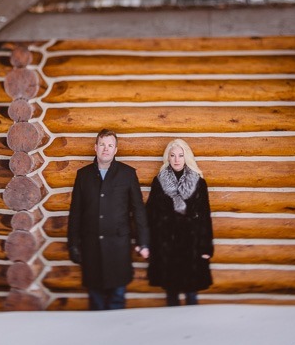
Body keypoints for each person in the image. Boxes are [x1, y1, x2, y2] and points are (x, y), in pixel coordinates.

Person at [67, 128, 150, 310]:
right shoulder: (83, 175)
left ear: (116, 150)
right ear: (95, 147)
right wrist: (73, 244)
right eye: (102, 145)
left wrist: (144, 242)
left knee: (117, 300)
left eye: (110, 145)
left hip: (118, 246)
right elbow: (76, 212)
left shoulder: (127, 174)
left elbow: (138, 210)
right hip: (91, 246)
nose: (106, 149)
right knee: (96, 301)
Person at [146, 138, 214, 306]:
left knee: (191, 293)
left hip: (192, 245)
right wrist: (151, 245)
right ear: (167, 157)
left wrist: (205, 247)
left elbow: (205, 216)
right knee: (171, 294)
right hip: (167, 246)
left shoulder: (199, 182)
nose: (176, 159)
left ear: (186, 157)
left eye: (180, 155)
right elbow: (150, 214)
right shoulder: (159, 182)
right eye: (173, 155)